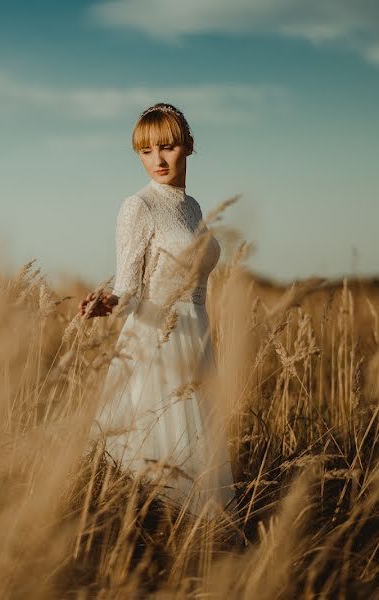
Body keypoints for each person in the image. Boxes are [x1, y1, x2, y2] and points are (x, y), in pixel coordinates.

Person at [79, 102, 235, 517]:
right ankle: (147, 533)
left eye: (166, 147)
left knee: (196, 449)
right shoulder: (138, 206)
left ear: (188, 146)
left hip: (195, 334)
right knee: (155, 449)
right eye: (146, 151)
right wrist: (105, 303)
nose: (158, 160)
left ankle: (196, 542)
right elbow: (127, 288)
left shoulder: (194, 206)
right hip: (157, 337)